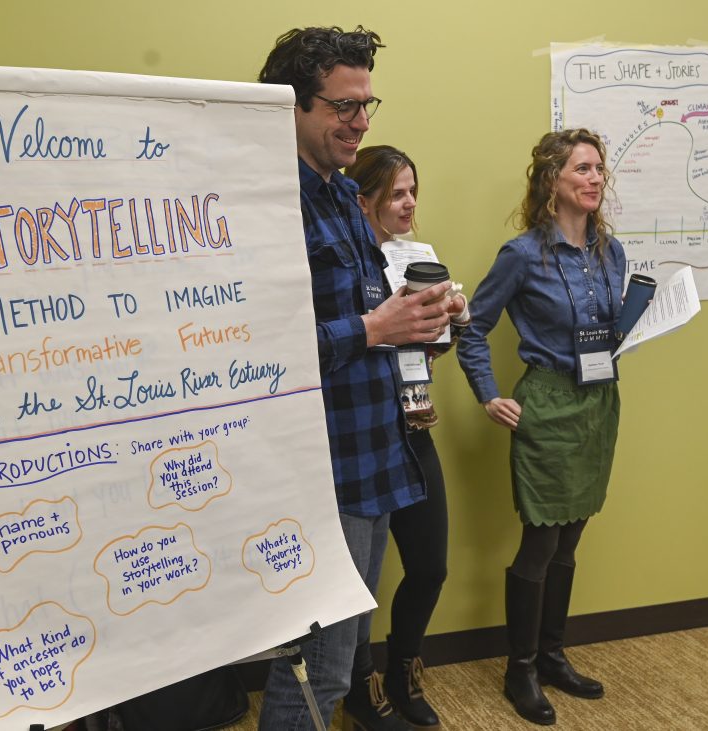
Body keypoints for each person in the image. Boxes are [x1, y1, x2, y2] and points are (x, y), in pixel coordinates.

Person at [256, 27, 463, 731]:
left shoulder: (344, 196)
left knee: (342, 658)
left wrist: (420, 318)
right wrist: (377, 328)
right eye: (344, 107)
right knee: (314, 662)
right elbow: (261, 355)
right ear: (290, 106)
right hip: (323, 470)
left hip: (376, 456)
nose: (362, 123)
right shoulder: (265, 203)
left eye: (368, 104)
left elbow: (367, 314)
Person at [456, 128, 626, 726]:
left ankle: (553, 655)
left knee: (571, 538)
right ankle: (520, 668)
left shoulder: (612, 253)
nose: (595, 179)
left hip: (599, 405)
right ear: (552, 180)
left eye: (600, 169)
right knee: (541, 542)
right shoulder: (524, 253)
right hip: (548, 406)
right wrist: (488, 396)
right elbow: (471, 328)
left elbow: (610, 332)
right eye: (583, 168)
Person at [343, 145, 470, 730]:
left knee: (430, 565)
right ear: (362, 199)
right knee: (359, 582)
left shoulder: (421, 256)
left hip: (414, 424)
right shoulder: (347, 266)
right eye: (396, 193)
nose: (409, 203)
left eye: (413, 190)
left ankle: (402, 669)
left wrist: (450, 319)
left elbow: (430, 352)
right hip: (365, 431)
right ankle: (357, 686)